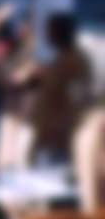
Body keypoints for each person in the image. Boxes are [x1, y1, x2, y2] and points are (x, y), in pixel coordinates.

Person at [17, 13, 92, 167]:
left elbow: (77, 98)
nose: (47, 35)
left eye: (50, 30)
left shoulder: (74, 61)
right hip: (47, 135)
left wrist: (62, 126)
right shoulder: (61, 59)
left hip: (58, 139)